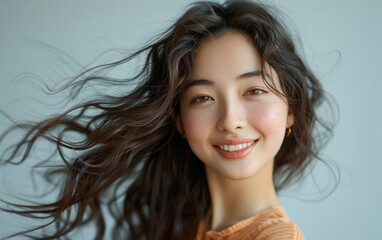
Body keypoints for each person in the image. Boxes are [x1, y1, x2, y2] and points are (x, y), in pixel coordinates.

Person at [0, 0, 335, 239]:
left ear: (290, 108)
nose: (231, 120)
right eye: (203, 98)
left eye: (254, 91)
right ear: (178, 120)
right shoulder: (183, 224)